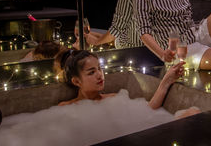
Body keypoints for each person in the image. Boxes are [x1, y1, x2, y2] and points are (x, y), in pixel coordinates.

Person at [56, 49, 200, 118]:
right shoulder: (66, 109)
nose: (100, 75)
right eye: (91, 72)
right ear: (76, 81)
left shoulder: (113, 99)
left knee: (194, 113)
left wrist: (166, 81)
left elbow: (147, 112)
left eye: (99, 69)